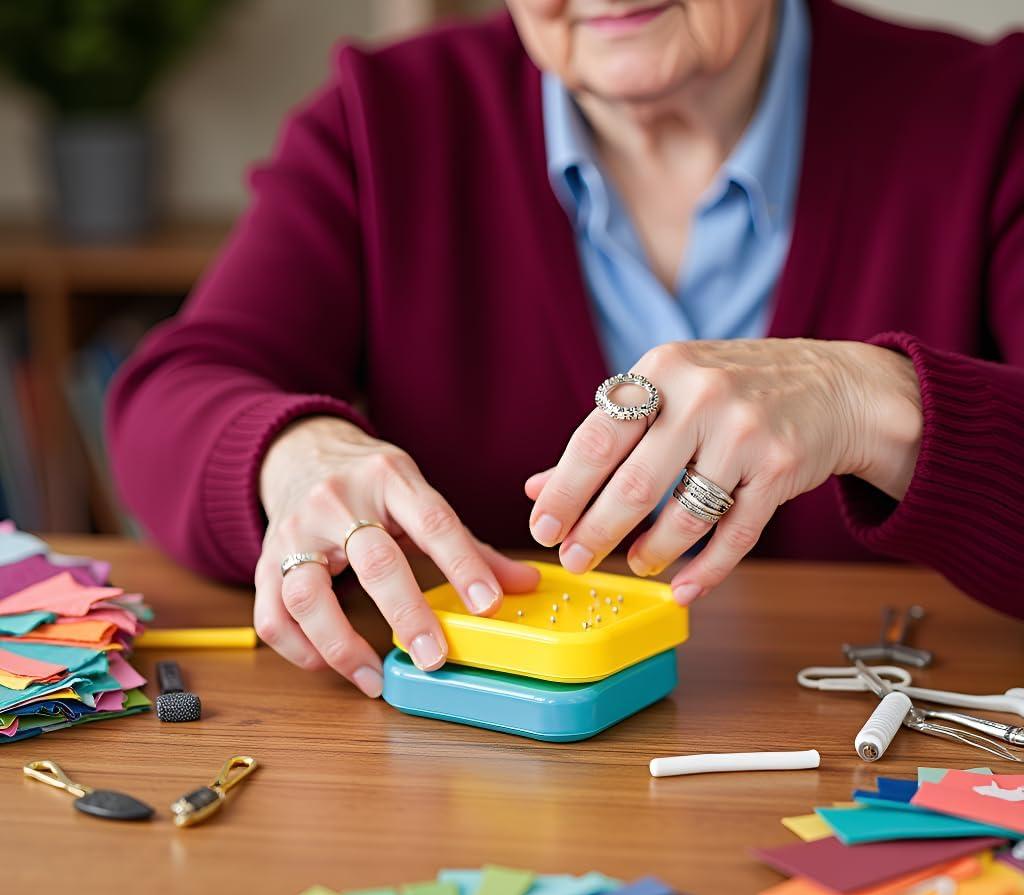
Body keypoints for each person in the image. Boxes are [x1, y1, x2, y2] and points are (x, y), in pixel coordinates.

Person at [107, 0, 1024, 700]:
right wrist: (292, 455)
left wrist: (870, 401)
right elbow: (174, 391)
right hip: (469, 774)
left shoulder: (990, 117)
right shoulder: (382, 121)